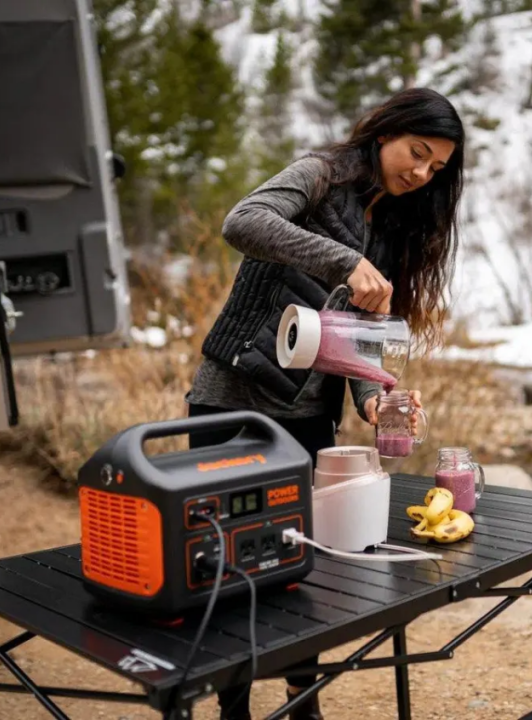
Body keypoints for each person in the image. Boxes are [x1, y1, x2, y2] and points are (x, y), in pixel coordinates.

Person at [184, 86, 466, 720]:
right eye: (416, 153)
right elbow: (242, 222)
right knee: (230, 562)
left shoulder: (391, 228)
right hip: (231, 404)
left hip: (311, 420)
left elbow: (361, 344)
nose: (420, 174)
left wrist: (375, 404)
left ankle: (300, 701)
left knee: (293, 562)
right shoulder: (319, 174)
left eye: (436, 169)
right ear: (385, 132)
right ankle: (233, 706)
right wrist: (346, 261)